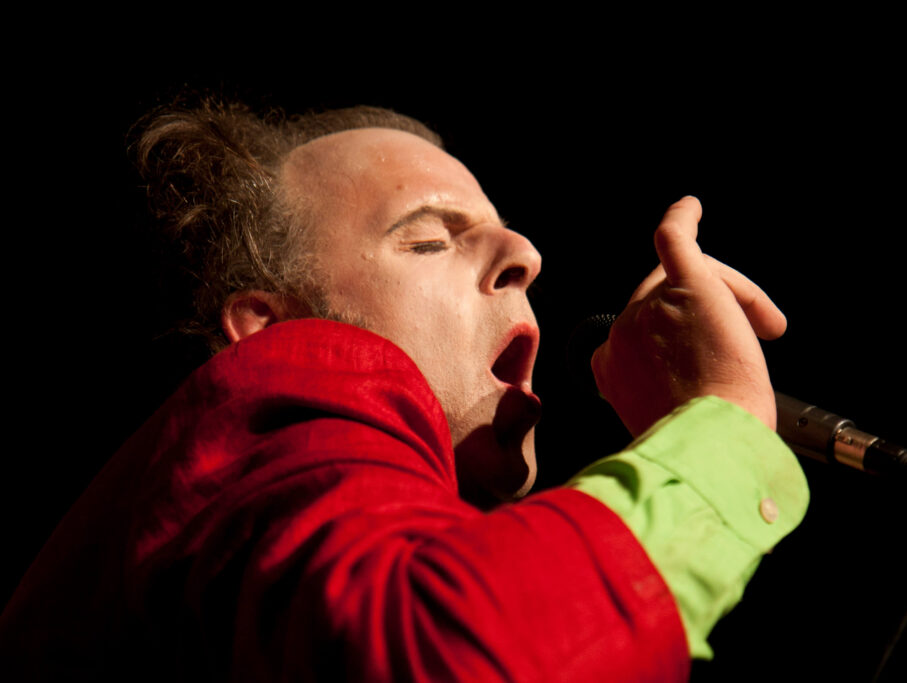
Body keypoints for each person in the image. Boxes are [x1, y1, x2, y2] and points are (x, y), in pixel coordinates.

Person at [0, 100, 809, 681]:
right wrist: (724, 420)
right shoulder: (280, 383)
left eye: (503, 232)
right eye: (425, 240)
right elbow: (447, 650)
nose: (526, 253)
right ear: (269, 324)